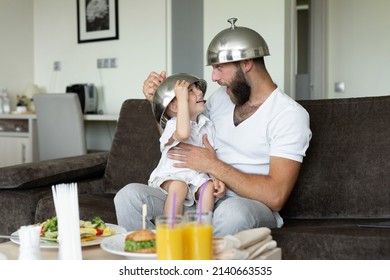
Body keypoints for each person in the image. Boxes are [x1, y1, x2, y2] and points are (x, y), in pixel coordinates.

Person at [114, 18, 312, 237]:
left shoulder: (288, 115)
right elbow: (180, 136)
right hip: (197, 195)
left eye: (219, 67)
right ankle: (160, 262)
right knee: (128, 196)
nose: (213, 77)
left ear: (246, 63)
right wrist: (156, 103)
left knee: (231, 212)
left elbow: (276, 196)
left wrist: (213, 165)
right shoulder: (220, 99)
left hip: (245, 205)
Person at [148, 73, 226, 215]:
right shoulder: (173, 125)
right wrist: (182, 99)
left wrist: (216, 179)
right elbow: (183, 134)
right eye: (190, 91)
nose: (200, 92)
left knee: (208, 188)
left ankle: (202, 230)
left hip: (196, 177)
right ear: (174, 106)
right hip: (172, 176)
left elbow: (211, 157)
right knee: (179, 187)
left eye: (198, 89)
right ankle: (171, 231)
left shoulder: (207, 125)